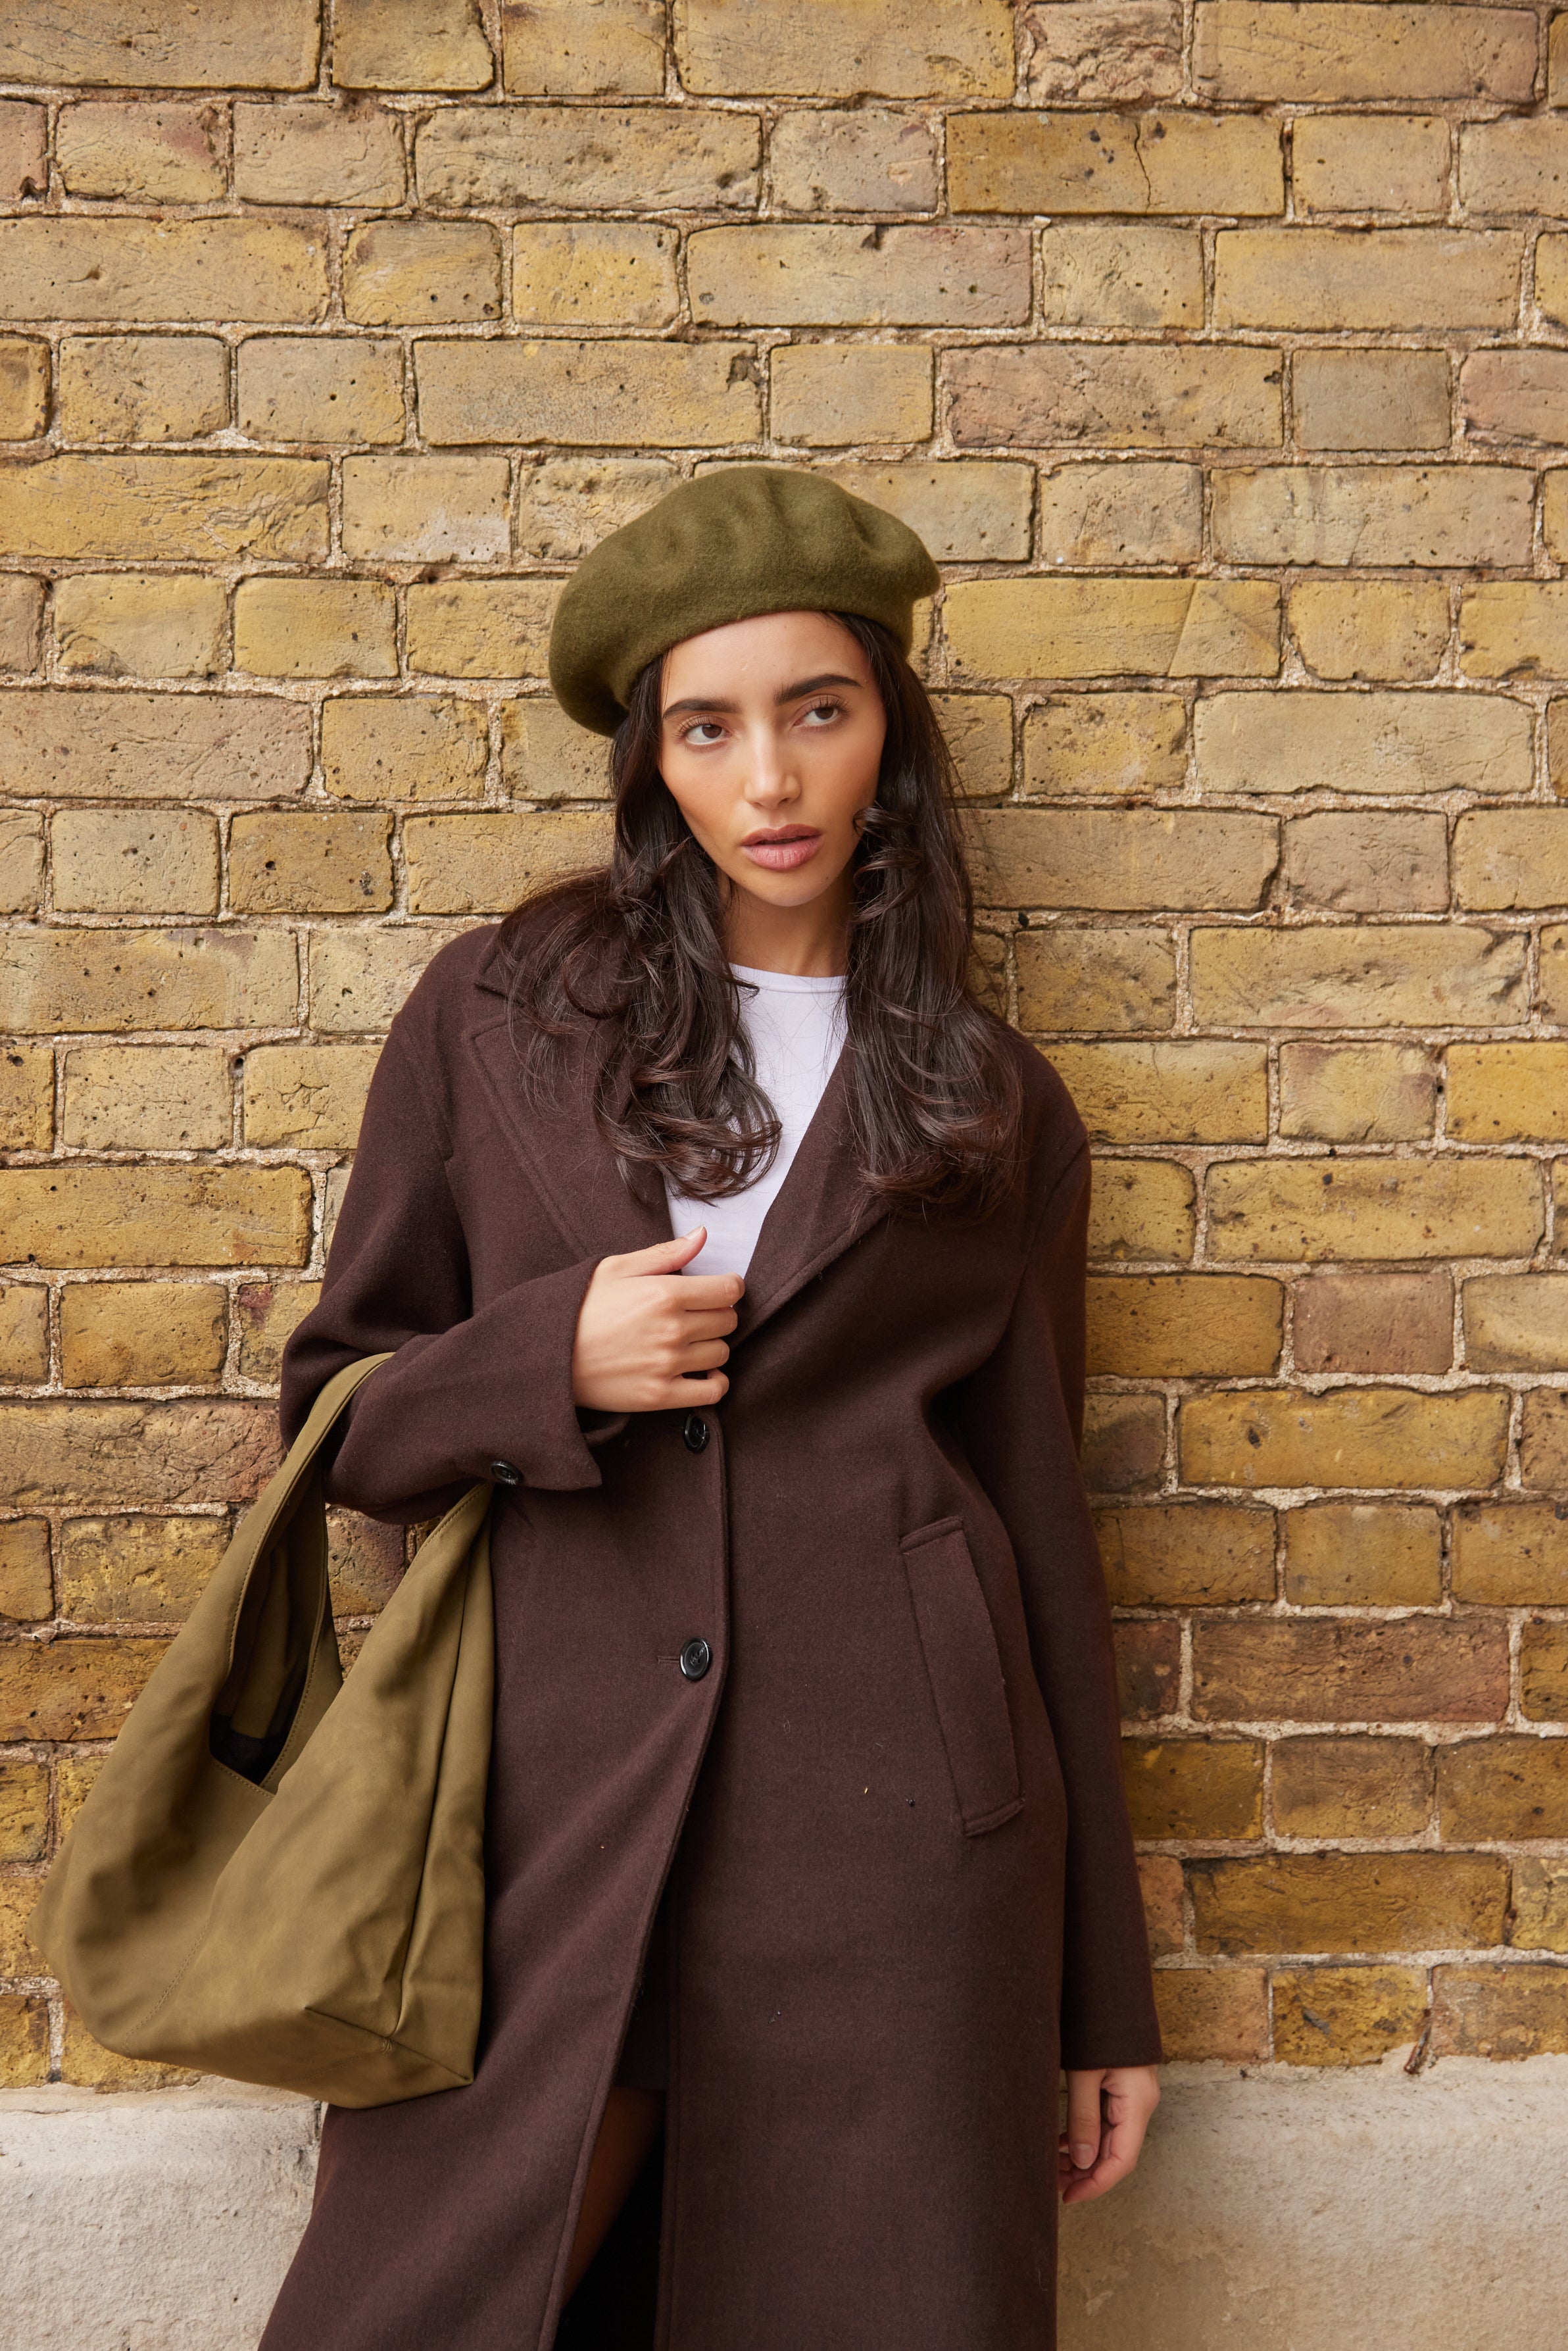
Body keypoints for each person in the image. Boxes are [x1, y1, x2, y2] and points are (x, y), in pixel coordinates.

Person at [258, 466, 1161, 2351]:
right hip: (549, 1818)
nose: (772, 780)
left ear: (886, 744)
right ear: (654, 762)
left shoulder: (997, 1105)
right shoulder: (495, 1014)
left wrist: (1098, 2004)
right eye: (711, 726)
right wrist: (543, 1363)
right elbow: (337, 1418)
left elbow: (1044, 1539)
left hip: (894, 1848)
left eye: (818, 714)